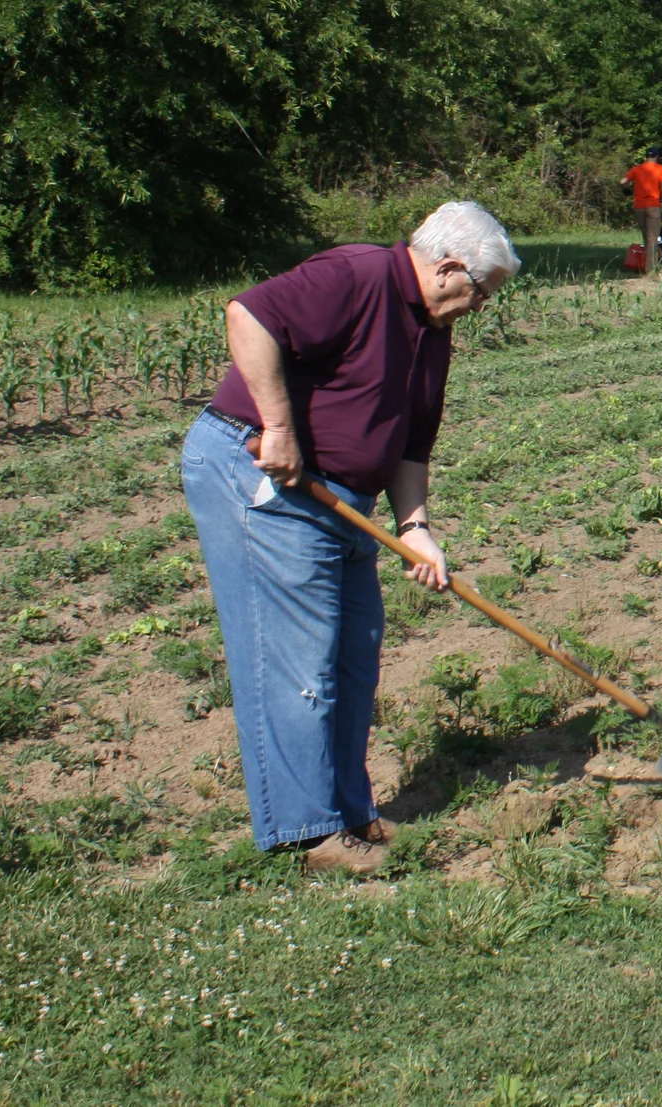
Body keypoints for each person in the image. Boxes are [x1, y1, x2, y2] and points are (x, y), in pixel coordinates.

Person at [178, 201, 520, 873]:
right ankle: (309, 833)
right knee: (299, 660)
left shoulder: (431, 330)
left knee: (354, 653)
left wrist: (416, 527)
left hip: (345, 499)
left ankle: (348, 808)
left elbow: (413, 441)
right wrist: (279, 427)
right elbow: (248, 314)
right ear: (449, 267)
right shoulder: (357, 275)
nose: (480, 307)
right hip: (268, 480)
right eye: (481, 292)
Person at [625, 147, 662, 271]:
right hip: (653, 205)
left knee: (646, 237)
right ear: (657, 156)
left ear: (646, 156)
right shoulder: (661, 169)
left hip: (638, 206)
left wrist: (628, 190)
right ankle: (650, 269)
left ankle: (648, 263)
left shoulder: (636, 169)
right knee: (653, 238)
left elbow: (623, 181)